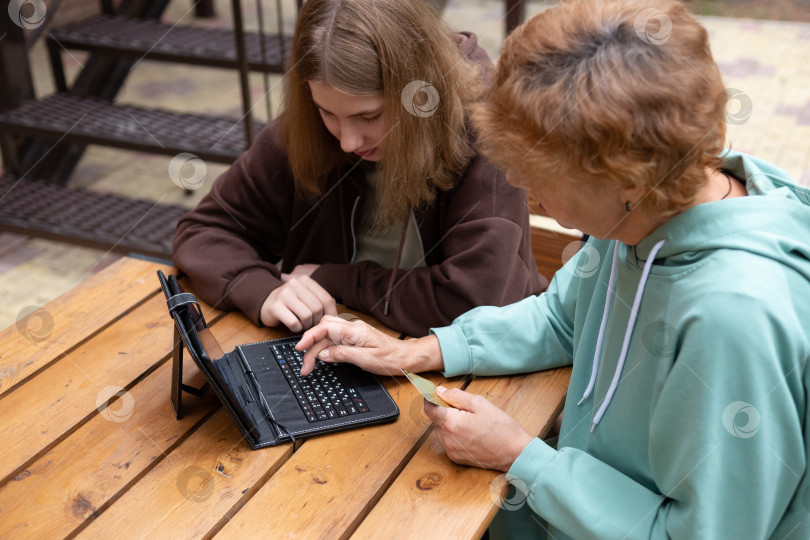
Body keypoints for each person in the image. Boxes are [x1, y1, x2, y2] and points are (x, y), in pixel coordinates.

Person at [295, 0, 810, 538]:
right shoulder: (649, 211)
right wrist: (411, 352)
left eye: (535, 170)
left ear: (626, 177)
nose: (518, 184)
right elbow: (563, 319)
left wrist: (521, 456)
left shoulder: (735, 321)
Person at [172, 0, 545, 338]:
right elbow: (205, 229)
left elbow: (472, 303)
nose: (348, 141)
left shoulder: (485, 130)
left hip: (477, 360)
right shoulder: (309, 128)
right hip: (338, 344)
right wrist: (261, 288)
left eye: (369, 116)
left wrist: (337, 280)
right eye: (327, 112)